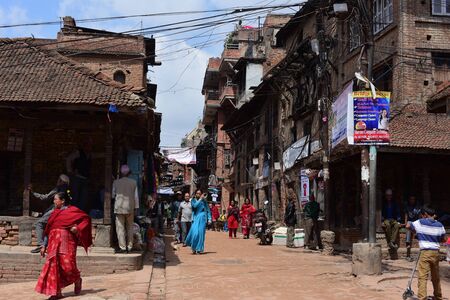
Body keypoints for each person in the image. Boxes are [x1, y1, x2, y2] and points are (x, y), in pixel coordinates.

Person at [35, 191, 92, 299]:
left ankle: (77, 279)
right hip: (53, 243)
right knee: (53, 267)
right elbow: (48, 230)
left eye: (56, 199)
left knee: (68, 267)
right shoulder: (53, 213)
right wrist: (43, 245)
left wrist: (77, 228)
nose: (54, 201)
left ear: (63, 201)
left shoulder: (73, 211)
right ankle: (57, 292)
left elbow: (86, 219)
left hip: (67, 242)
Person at [406, 205, 446, 300]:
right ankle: (438, 296)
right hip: (436, 252)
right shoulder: (440, 225)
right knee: (435, 276)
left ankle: (422, 297)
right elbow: (444, 239)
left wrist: (416, 232)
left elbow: (408, 225)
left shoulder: (420, 222)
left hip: (425, 253)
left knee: (423, 276)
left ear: (425, 214)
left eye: (422, 215)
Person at [28, 174, 70, 254]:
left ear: (60, 181)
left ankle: (41, 245)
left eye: (58, 180)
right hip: (65, 209)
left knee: (39, 223)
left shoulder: (58, 189)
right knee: (48, 225)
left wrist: (33, 192)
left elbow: (45, 197)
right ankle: (46, 245)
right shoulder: (68, 189)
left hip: (57, 209)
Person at [112, 165, 139, 253]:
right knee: (130, 227)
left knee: (120, 228)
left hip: (119, 208)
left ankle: (123, 247)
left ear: (120, 173)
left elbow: (113, 195)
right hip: (130, 208)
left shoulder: (116, 182)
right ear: (129, 173)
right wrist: (136, 208)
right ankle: (130, 246)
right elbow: (136, 197)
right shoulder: (133, 182)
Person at [66, 138, 92, 212]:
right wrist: (69, 170)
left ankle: (79, 213)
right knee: (75, 196)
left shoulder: (89, 154)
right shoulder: (78, 153)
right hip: (77, 178)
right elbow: (68, 158)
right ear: (84, 146)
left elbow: (98, 155)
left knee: (84, 198)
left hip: (85, 178)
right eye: (88, 145)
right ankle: (73, 213)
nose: (90, 147)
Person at [404, 195, 421, 261]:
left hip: (416, 222)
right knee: (408, 226)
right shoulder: (407, 207)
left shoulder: (417, 207)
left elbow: (419, 216)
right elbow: (406, 216)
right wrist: (405, 223)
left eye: (413, 199)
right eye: (411, 199)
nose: (412, 200)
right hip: (410, 222)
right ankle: (408, 242)